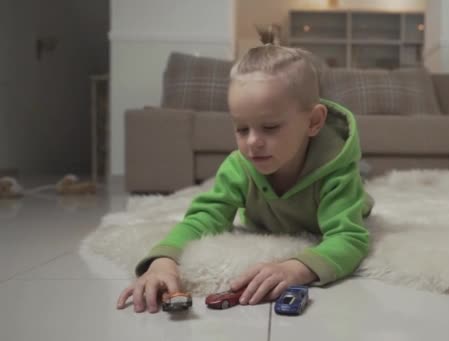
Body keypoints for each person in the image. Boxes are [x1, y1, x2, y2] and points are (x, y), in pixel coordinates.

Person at [116, 45, 373, 313]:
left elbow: (350, 238)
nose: (253, 142)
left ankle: (362, 186)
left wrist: (297, 269)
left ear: (313, 122)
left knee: (356, 199)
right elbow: (205, 218)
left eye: (270, 127)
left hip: (339, 196)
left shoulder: (335, 172)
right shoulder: (239, 167)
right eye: (241, 128)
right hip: (276, 216)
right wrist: (162, 261)